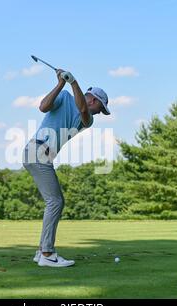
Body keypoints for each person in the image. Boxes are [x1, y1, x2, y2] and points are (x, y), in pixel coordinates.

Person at [22, 68, 111, 267]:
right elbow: (43, 107)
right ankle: (47, 253)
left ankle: (41, 251)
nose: (99, 113)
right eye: (101, 108)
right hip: (37, 150)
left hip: (39, 153)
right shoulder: (64, 96)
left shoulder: (88, 119)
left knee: (54, 201)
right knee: (55, 202)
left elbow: (82, 110)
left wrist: (74, 82)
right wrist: (62, 83)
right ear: (94, 100)